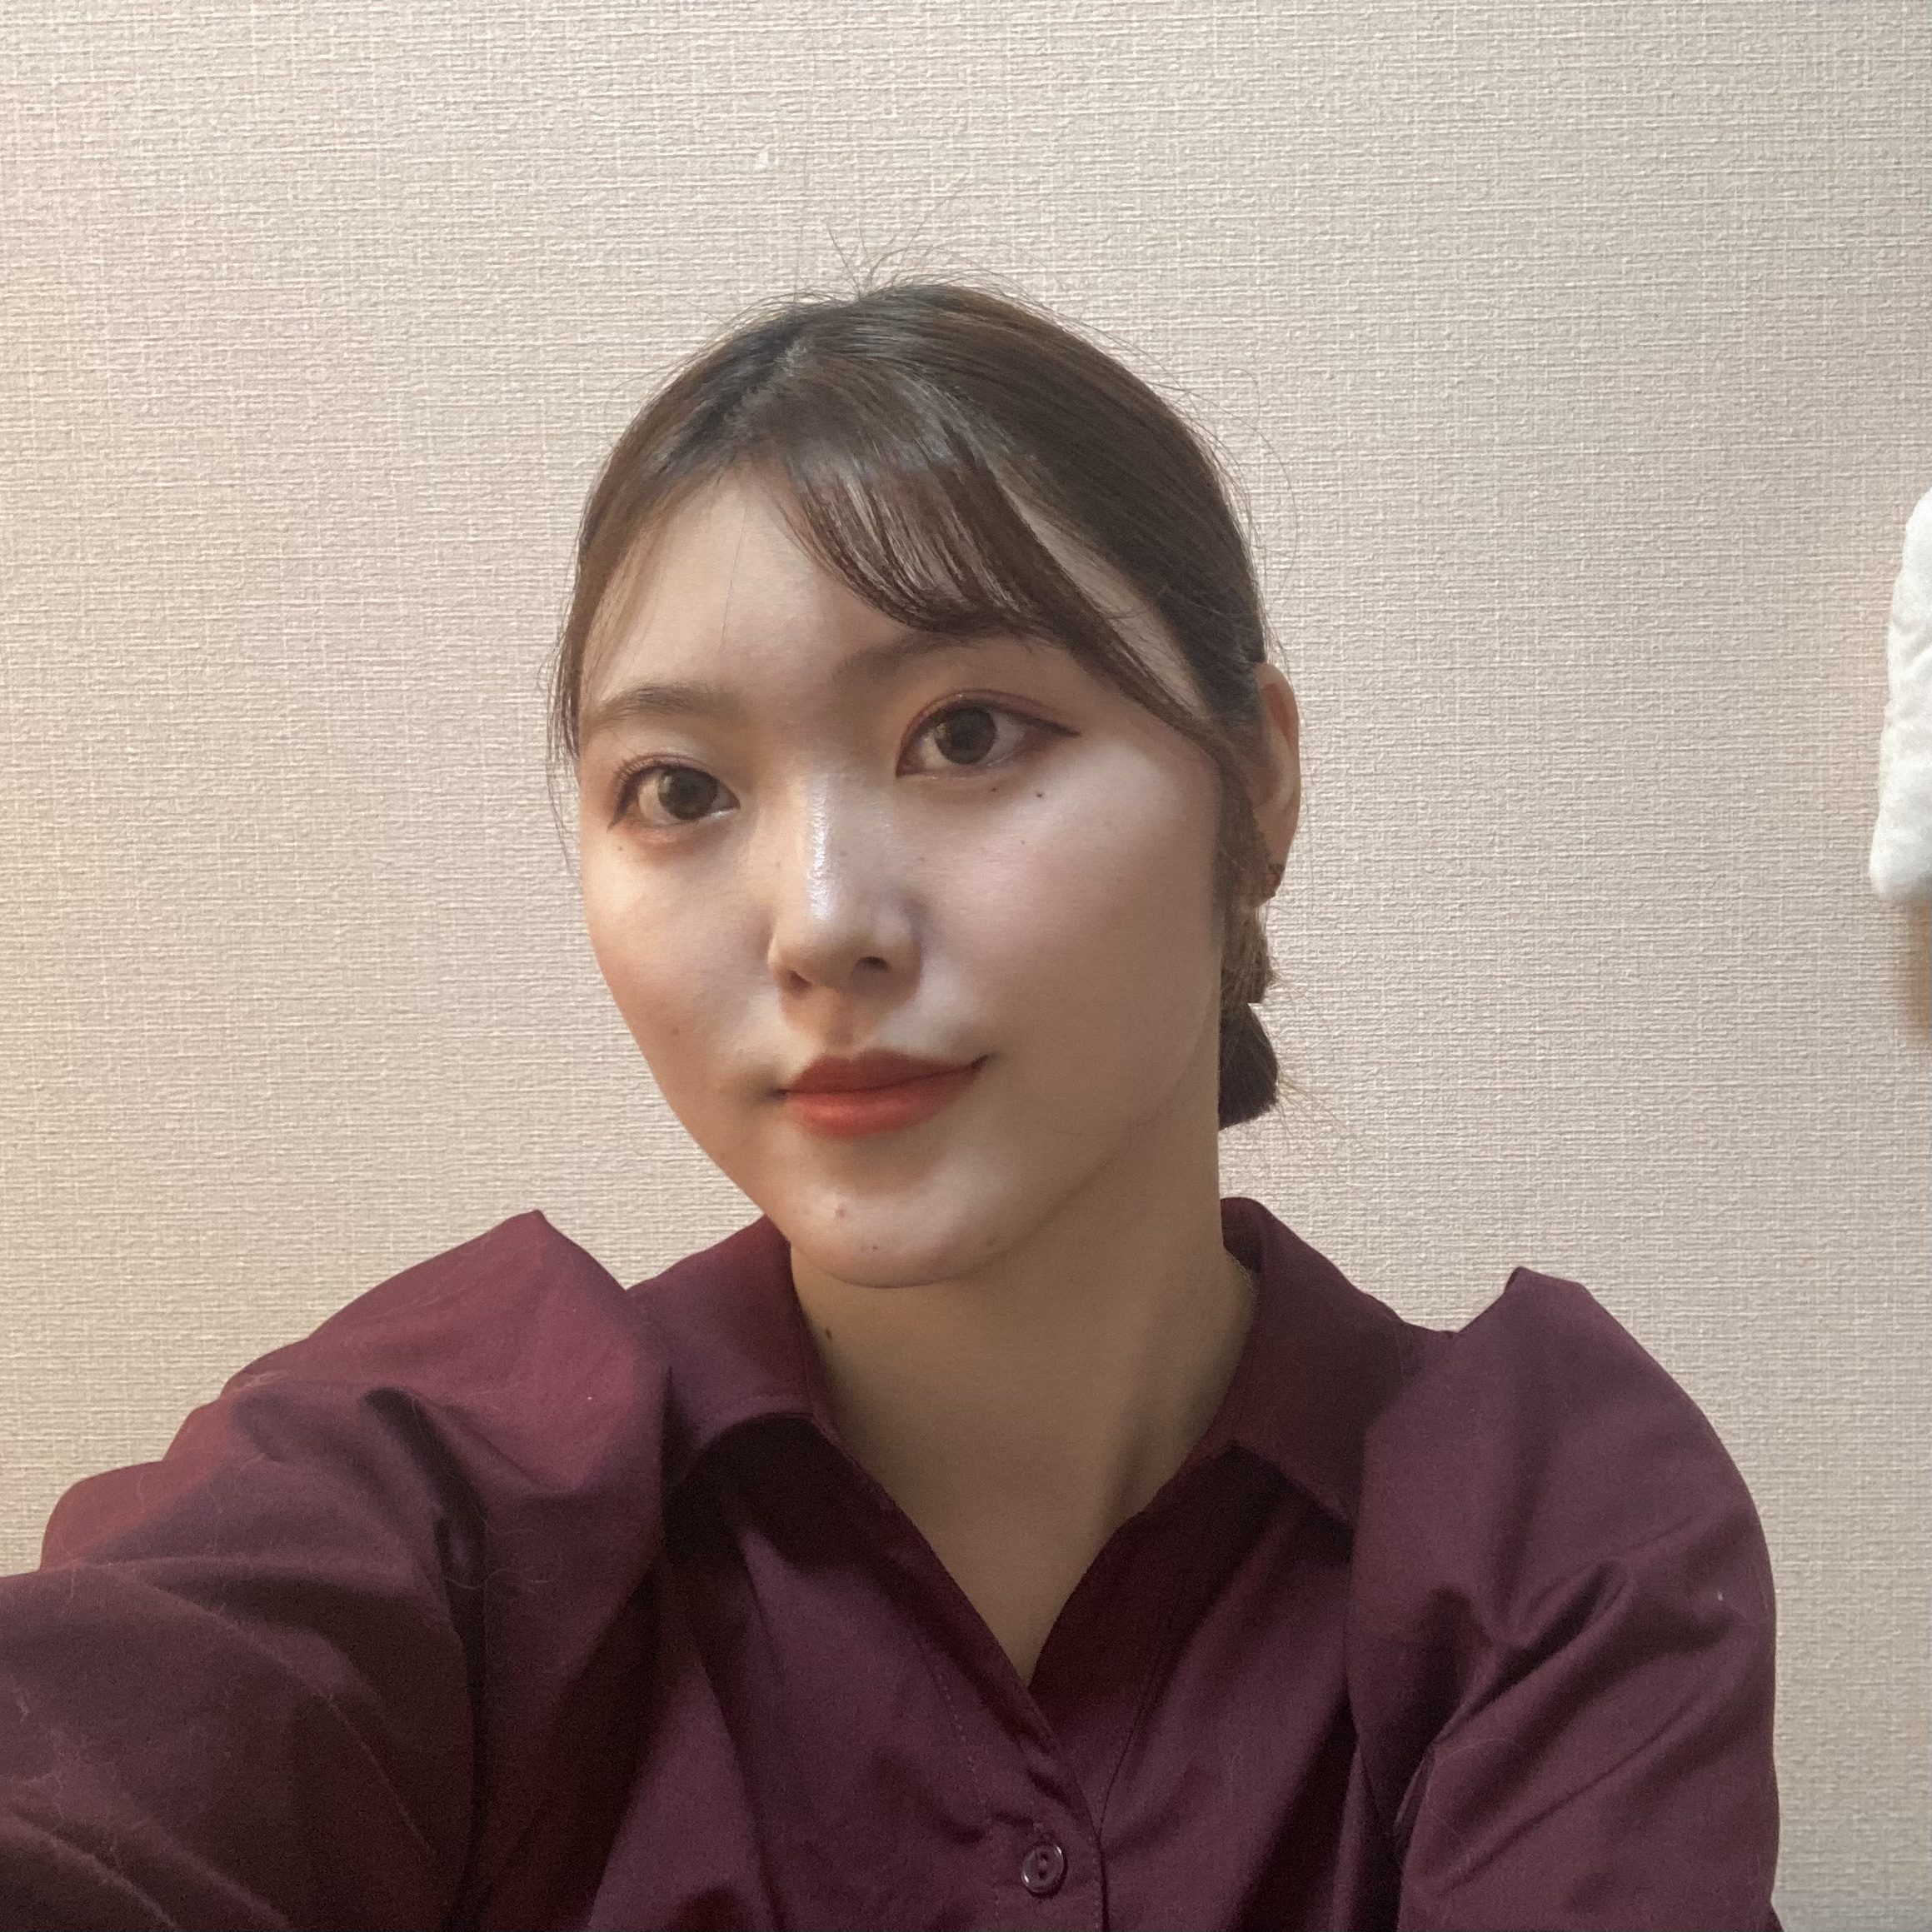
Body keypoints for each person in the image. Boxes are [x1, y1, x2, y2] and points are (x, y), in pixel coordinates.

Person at [0, 282, 1780, 1932]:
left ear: (1255, 785)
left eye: (970, 733)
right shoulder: (433, 1487)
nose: (819, 925)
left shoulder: (1543, 1530)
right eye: (678, 788)